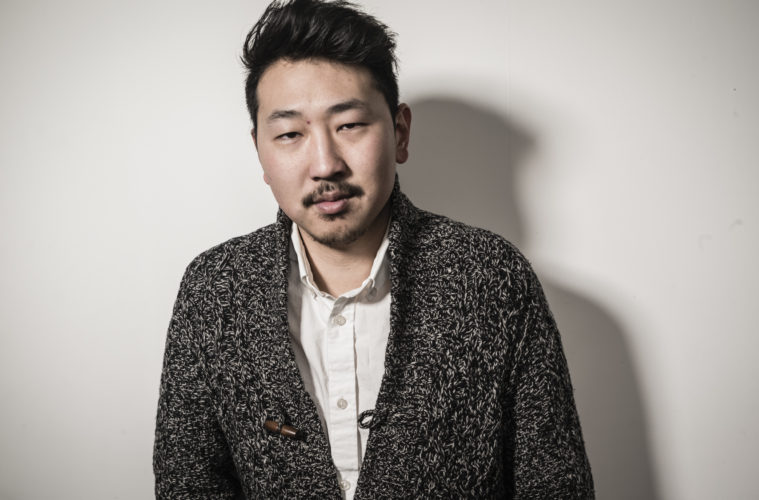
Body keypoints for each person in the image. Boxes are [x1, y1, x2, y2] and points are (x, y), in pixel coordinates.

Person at [153, 0, 594, 498]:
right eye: (290, 134)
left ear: (399, 133)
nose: (325, 165)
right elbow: (187, 484)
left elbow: (556, 484)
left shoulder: (493, 278)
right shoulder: (214, 290)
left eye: (349, 125)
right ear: (260, 151)